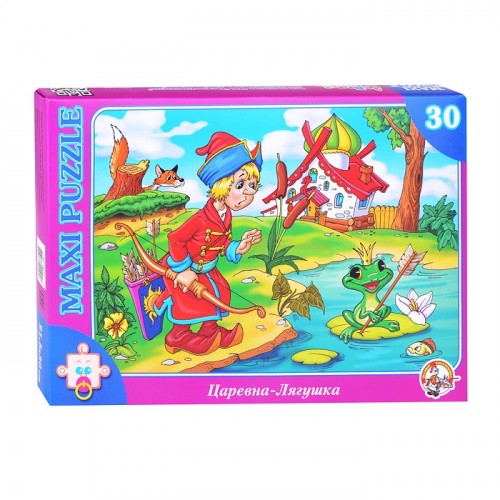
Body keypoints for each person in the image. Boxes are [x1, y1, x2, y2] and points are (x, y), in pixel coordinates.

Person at [155, 132, 263, 355]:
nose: (248, 193)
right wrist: (184, 270)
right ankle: (177, 337)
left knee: (218, 293)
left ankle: (210, 331)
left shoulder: (225, 215)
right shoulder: (200, 219)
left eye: (252, 185)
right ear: (221, 186)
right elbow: (175, 239)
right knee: (189, 303)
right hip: (183, 269)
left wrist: (237, 247)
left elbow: (221, 242)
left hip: (207, 269)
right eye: (241, 184)